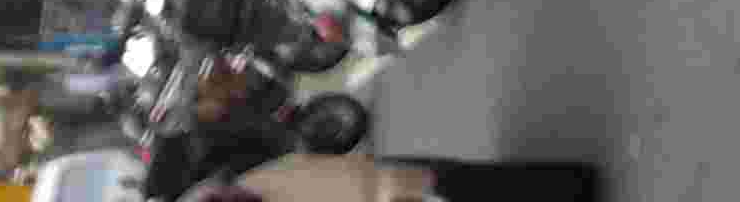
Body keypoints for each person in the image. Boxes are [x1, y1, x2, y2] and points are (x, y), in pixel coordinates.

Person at [203, 157, 598, 202]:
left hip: (390, 185)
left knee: (481, 186)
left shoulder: (261, 181)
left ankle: (571, 184)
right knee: (480, 185)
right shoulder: (259, 180)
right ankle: (570, 184)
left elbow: (322, 170)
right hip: (390, 183)